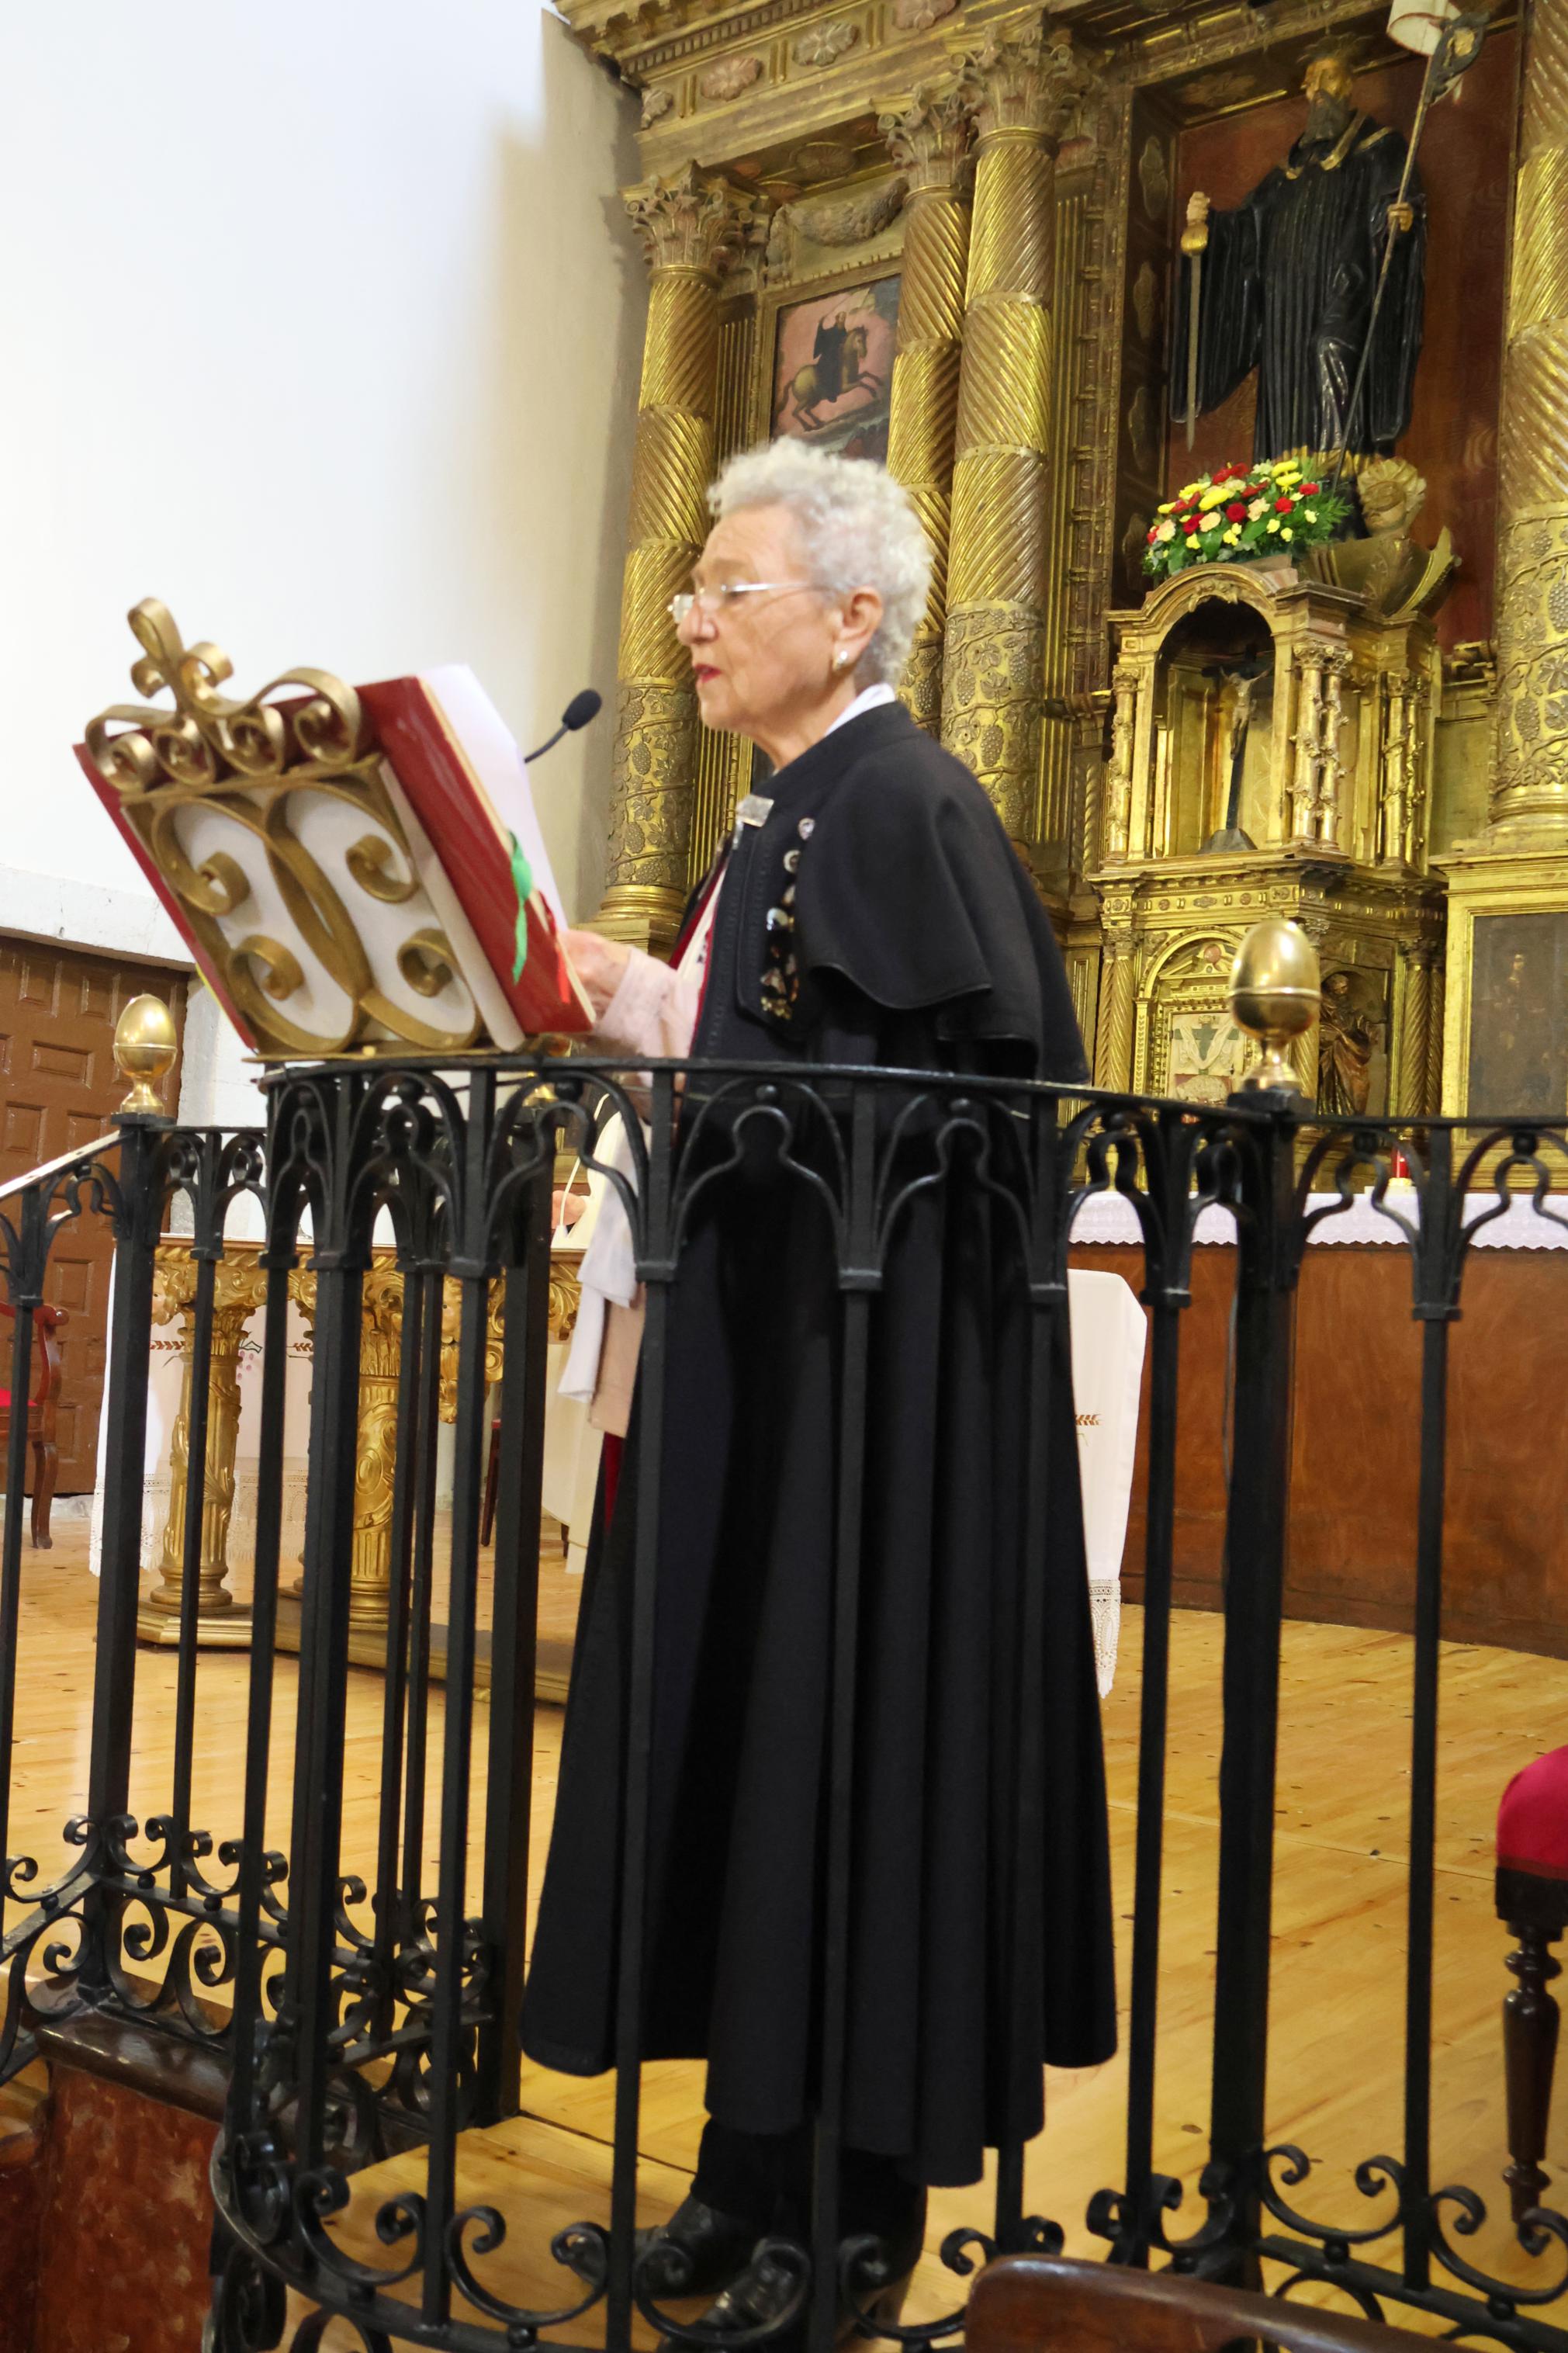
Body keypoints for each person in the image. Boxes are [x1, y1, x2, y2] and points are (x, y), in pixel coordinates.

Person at [520, 438, 1116, 2343]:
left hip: (866, 1407)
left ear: (850, 615)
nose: (691, 617)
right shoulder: (783, 813)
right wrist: (643, 1010)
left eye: (732, 585)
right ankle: (735, 2167)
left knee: (835, 1747)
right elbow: (777, 1053)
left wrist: (681, 1030)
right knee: (731, 1742)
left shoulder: (901, 800)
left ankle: (848, 2203)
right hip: (755, 1368)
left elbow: (947, 1117)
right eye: (692, 585)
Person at [1172, 43, 1425, 466]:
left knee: (1331, 345)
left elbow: (1397, 204)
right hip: (1287, 300)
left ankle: (1341, 474)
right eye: (1311, 84)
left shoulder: (1380, 147)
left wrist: (1400, 219)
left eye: (1327, 79)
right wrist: (1210, 227)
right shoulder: (1284, 173)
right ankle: (1289, 485)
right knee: (1286, 379)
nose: (1317, 92)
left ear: (1347, 85)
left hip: (1349, 281)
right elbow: (1250, 228)